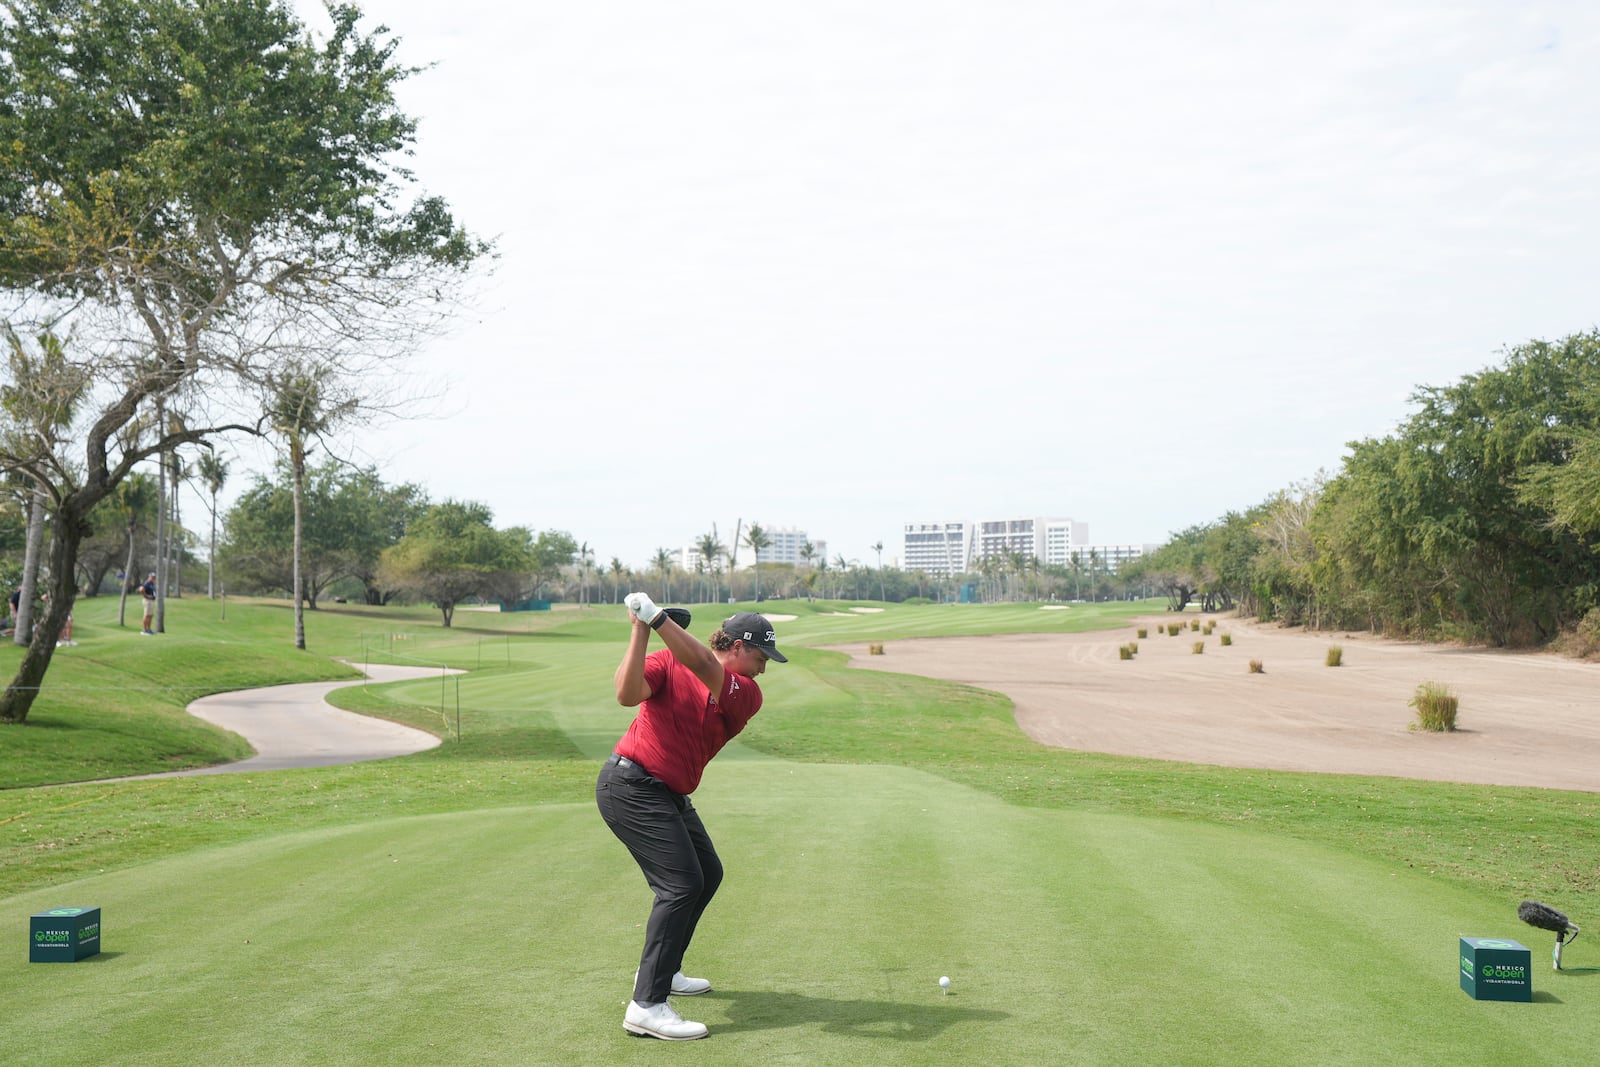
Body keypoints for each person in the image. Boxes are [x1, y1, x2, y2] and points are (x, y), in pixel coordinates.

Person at [598, 594, 787, 1041]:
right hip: (629, 786)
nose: (763, 668)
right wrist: (641, 627)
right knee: (680, 885)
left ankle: (668, 971)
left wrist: (656, 617)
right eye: (761, 657)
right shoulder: (666, 662)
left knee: (708, 873)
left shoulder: (747, 694)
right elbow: (626, 695)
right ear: (738, 646)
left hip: (668, 794)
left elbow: (704, 663)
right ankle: (646, 1005)